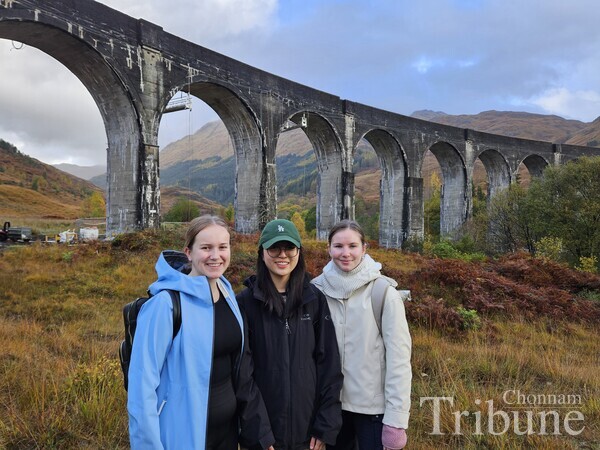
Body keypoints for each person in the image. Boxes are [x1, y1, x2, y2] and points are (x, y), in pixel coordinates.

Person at [127, 215, 275, 450]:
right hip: (181, 436)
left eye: (222, 247)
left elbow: (238, 368)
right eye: (206, 248)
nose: (215, 256)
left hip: (227, 435)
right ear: (189, 252)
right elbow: (141, 386)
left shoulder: (227, 294)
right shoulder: (165, 304)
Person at [237, 219, 343, 450]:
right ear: (262, 252)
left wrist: (325, 426)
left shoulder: (314, 299)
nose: (282, 255)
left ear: (299, 252)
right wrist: (260, 434)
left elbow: (329, 366)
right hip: (264, 438)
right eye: (274, 248)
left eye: (289, 248)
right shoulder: (245, 303)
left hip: (308, 435)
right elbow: (243, 376)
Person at [311, 219, 412, 450]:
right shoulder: (316, 291)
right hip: (329, 410)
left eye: (353, 246)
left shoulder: (383, 293)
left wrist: (396, 421)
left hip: (372, 412)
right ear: (328, 249)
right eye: (338, 246)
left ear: (364, 248)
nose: (345, 253)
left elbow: (399, 361)